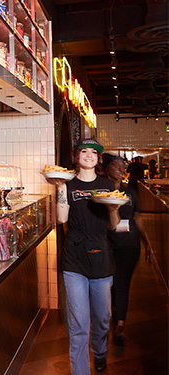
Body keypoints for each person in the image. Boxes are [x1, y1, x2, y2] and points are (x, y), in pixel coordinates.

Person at [45, 139, 120, 375]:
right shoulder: (67, 183)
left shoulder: (108, 185)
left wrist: (113, 210)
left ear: (99, 159)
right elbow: (61, 219)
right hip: (74, 257)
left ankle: (99, 351)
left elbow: (113, 226)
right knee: (78, 323)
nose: (89, 155)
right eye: (84, 151)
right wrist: (59, 186)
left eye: (93, 153)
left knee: (103, 318)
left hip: (100, 255)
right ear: (76, 157)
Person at [102, 154, 153, 345]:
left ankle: (120, 323)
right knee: (108, 284)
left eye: (122, 167)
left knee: (122, 283)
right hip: (106, 244)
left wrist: (147, 242)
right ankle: (109, 317)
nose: (121, 169)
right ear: (106, 168)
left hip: (129, 244)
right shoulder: (100, 191)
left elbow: (137, 217)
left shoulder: (130, 191)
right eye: (115, 166)